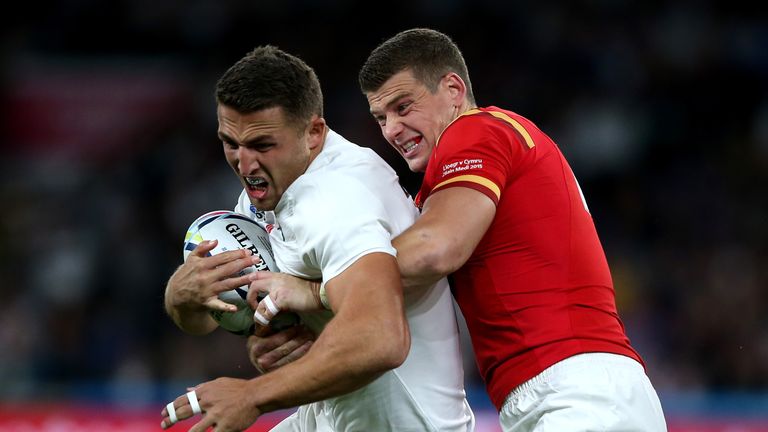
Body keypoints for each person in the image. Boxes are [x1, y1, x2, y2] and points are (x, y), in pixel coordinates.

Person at [252, 28, 668, 431]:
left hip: (579, 392)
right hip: (570, 393)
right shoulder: (446, 193)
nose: (391, 129)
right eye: (380, 117)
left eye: (403, 106)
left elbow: (435, 250)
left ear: (453, 90)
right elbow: (398, 280)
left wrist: (312, 291)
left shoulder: (475, 130)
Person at [161, 45, 474, 432]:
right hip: (333, 415)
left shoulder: (337, 198)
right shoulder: (269, 191)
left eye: (262, 145)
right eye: (230, 143)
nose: (244, 164)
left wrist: (252, 396)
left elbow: (381, 338)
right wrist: (184, 298)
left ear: (313, 133)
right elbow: (221, 320)